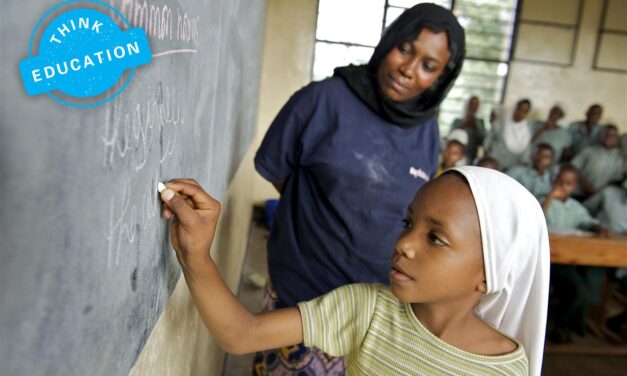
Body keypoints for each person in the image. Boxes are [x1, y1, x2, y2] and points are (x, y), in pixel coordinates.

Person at [158, 166, 550, 376]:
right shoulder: (369, 311)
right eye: (408, 224)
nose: (404, 244)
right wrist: (196, 255)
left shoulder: (504, 368)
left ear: (487, 274)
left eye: (435, 239)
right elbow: (242, 334)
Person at [253, 4, 466, 372]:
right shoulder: (323, 100)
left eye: (428, 66)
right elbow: (279, 173)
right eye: (405, 49)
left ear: (441, 78)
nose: (408, 69)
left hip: (377, 310)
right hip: (304, 297)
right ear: (389, 41)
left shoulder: (426, 129)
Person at [542, 165, 607, 342]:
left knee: (581, 293)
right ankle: (553, 329)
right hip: (541, 265)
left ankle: (563, 328)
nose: (562, 187)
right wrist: (550, 198)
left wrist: (597, 227)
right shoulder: (542, 200)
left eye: (568, 183)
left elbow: (588, 222)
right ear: (553, 181)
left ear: (575, 186)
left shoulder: (575, 207)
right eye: (559, 182)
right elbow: (537, 218)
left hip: (564, 265)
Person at [571, 124, 624, 199]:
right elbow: (573, 168)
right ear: (601, 136)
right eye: (607, 134)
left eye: (613, 135)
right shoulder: (589, 150)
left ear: (617, 138)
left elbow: (615, 181)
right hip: (578, 193)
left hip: (599, 198)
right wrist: (585, 186)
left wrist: (600, 192)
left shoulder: (618, 159)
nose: (609, 137)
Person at [484, 99, 532, 170]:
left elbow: (525, 157)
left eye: (525, 111)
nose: (520, 113)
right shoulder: (501, 123)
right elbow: (487, 143)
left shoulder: (526, 133)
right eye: (519, 109)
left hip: (511, 171)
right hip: (493, 166)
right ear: (514, 108)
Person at [449, 95, 485, 163]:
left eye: (476, 104)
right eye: (471, 103)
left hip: (472, 157)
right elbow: (451, 137)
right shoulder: (457, 121)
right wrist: (463, 125)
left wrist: (475, 126)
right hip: (456, 154)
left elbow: (483, 142)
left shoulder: (480, 123)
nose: (473, 107)